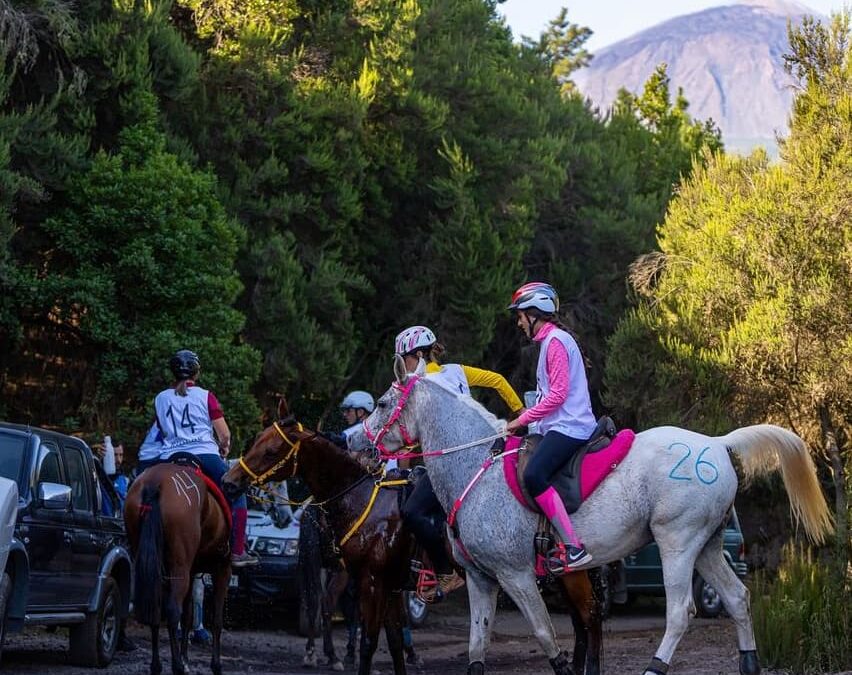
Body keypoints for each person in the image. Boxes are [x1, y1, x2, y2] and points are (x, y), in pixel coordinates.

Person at [394, 325, 524, 601]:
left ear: (417, 355)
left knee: (412, 512)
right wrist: (521, 413)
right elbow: (498, 381)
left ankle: (444, 571)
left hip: (450, 468)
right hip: (479, 461)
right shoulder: (457, 370)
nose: (401, 365)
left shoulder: (417, 384)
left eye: (402, 358)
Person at [504, 282, 596, 572]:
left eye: (520, 316)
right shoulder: (551, 342)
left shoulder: (555, 342)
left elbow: (557, 395)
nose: (519, 323)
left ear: (535, 313)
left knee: (533, 474)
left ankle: (573, 547)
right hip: (557, 425)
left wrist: (522, 419)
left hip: (570, 426)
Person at [153, 349, 258, 567]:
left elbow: (163, 431)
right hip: (204, 454)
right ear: (196, 373)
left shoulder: (160, 398)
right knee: (237, 492)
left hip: (168, 457)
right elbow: (225, 433)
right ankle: (238, 550)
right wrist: (224, 447)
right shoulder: (205, 395)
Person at [336, 390, 397, 471]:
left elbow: (337, 445)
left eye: (348, 410)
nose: (345, 414)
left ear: (360, 412)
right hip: (392, 477)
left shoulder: (353, 432)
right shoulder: (383, 428)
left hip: (371, 480)